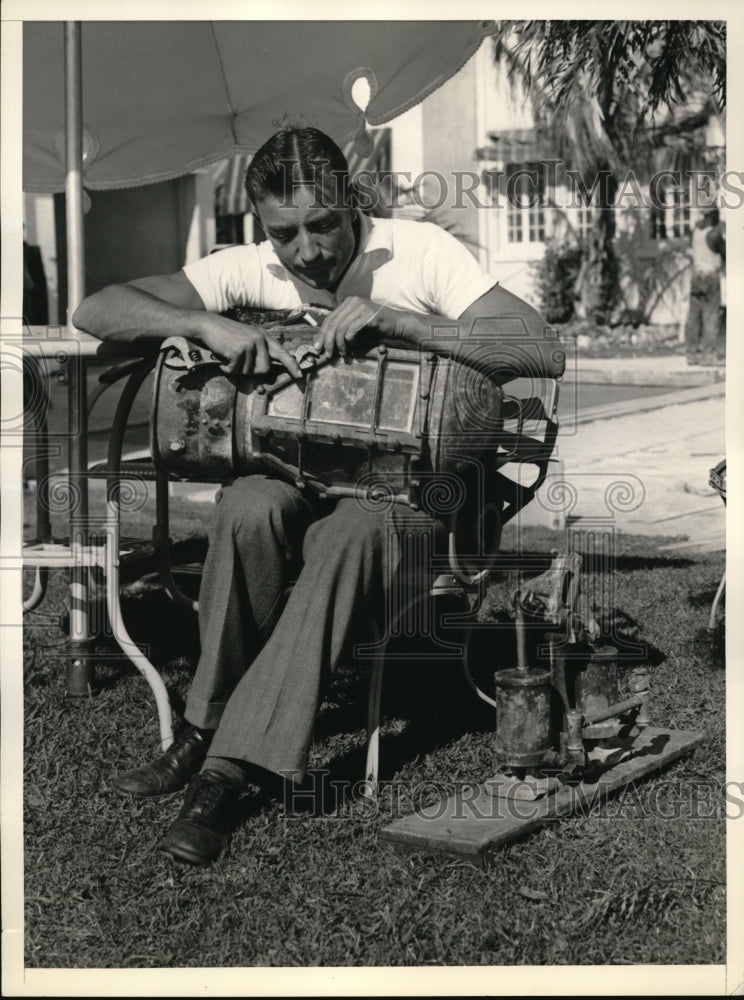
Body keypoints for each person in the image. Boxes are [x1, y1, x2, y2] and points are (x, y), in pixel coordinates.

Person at [73, 125, 551, 865]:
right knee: (247, 507)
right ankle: (207, 721)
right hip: (296, 482)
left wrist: (400, 321)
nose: (305, 251)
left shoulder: (417, 251)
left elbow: (538, 349)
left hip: (408, 495)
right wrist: (205, 322)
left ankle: (228, 772)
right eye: (285, 232)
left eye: (322, 225)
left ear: (350, 202)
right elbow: (96, 311)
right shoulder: (247, 266)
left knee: (350, 532)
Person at [684, 207, 725, 366]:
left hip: (696, 276)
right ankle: (708, 355)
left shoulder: (695, 232)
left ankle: (691, 354)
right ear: (712, 215)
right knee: (710, 316)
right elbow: (725, 253)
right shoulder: (714, 234)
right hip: (710, 276)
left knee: (693, 317)